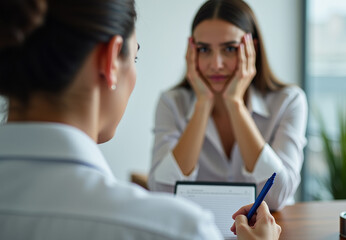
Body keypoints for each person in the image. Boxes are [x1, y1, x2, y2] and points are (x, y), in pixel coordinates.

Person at [0, 0, 281, 239]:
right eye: (134, 58)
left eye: (228, 49)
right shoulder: (173, 230)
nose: (216, 63)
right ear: (110, 60)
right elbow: (163, 186)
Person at [148, 0, 308, 211]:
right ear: (192, 52)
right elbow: (162, 193)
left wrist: (235, 105)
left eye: (230, 49)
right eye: (204, 49)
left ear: (252, 49)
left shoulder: (289, 101)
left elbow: (277, 197)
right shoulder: (172, 103)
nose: (216, 64)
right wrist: (203, 104)